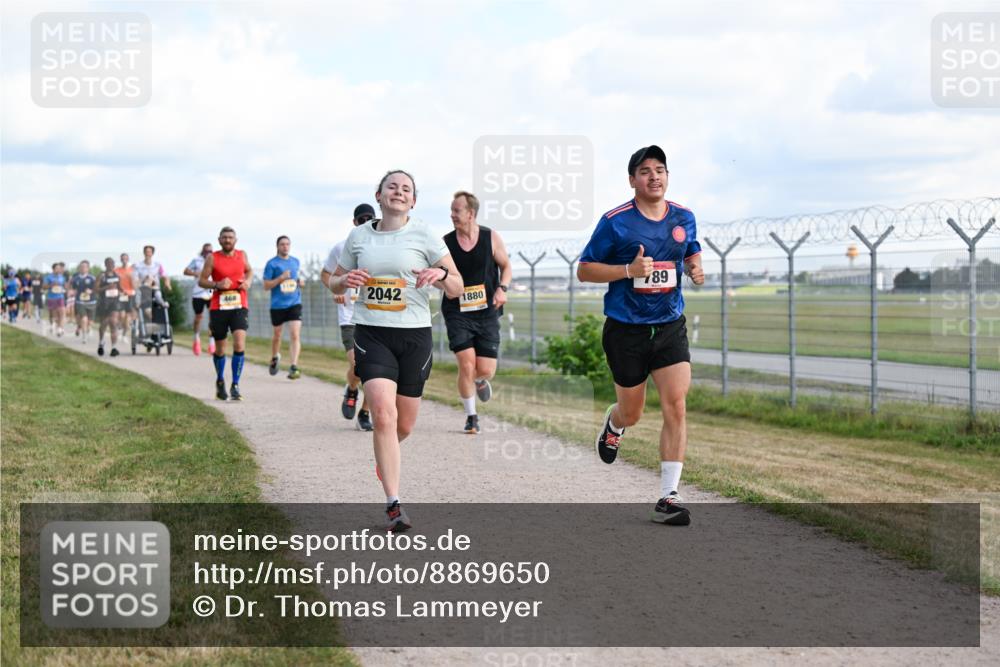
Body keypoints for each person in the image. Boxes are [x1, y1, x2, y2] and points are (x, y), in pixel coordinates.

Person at [577, 145, 704, 526]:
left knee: (676, 405)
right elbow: (585, 270)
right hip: (626, 331)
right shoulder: (615, 222)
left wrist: (695, 268)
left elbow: (690, 250)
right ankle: (614, 425)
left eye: (660, 170)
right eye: (645, 171)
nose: (654, 177)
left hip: (669, 325)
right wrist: (628, 270)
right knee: (632, 411)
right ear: (632, 180)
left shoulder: (684, 217)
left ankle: (668, 496)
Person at [329, 170, 462, 531]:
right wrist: (345, 280)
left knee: (404, 424)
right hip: (372, 333)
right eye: (392, 187)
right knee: (383, 417)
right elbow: (334, 280)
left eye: (406, 189)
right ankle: (393, 503)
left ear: (413, 200)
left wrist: (440, 276)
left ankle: (385, 455)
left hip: (415, 336)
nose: (399, 192)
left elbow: (457, 287)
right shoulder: (358, 236)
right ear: (379, 194)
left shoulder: (425, 235)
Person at [441, 191, 512, 434]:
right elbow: (439, 275)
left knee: (485, 370)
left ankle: (481, 381)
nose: (452, 215)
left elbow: (506, 266)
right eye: (451, 211)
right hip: (457, 311)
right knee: (466, 364)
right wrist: (445, 286)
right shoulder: (446, 243)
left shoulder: (490, 237)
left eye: (456, 211)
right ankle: (472, 417)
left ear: (470, 214)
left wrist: (502, 288)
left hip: (487, 312)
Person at [322, 203, 376, 431]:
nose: (365, 222)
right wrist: (336, 290)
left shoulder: (382, 247)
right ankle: (352, 389)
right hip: (349, 317)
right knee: (358, 367)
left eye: (369, 218)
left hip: (375, 317)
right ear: (354, 223)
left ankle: (364, 413)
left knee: (374, 372)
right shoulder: (341, 248)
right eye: (361, 219)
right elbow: (326, 275)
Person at [198, 227, 253, 401]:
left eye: (230, 237)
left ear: (235, 240)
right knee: (221, 349)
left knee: (239, 343)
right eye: (224, 238)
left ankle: (235, 385)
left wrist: (248, 282)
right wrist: (217, 285)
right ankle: (220, 380)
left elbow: (249, 271)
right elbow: (201, 281)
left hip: (239, 305)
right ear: (219, 240)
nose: (228, 240)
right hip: (218, 308)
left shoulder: (242, 255)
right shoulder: (212, 257)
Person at [262, 235, 304, 380]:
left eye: (287, 244)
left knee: (295, 334)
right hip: (278, 305)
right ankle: (274, 357)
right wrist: (280, 278)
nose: (285, 247)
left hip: (294, 302)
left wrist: (299, 282)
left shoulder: (295, 261)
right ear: (277, 246)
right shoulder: (272, 264)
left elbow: (294, 279)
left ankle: (293, 366)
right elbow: (266, 286)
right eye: (282, 244)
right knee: (277, 335)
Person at [184, 243, 215, 356]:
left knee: (213, 318)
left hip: (211, 292)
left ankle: (212, 343)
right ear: (202, 251)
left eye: (210, 251)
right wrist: (195, 273)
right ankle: (196, 339)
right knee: (199, 317)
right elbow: (186, 271)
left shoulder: (214, 259)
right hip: (198, 293)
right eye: (206, 251)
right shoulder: (196, 260)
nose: (208, 253)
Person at [133, 245, 171, 324]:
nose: (148, 254)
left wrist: (167, 284)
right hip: (142, 289)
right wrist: (144, 279)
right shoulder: (138, 265)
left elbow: (165, 276)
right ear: (144, 253)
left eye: (149, 252)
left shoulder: (158, 265)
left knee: (158, 297)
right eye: (146, 252)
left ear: (152, 253)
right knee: (138, 303)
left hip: (155, 288)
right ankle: (138, 321)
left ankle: (162, 305)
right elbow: (135, 281)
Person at [96, 257, 123, 357]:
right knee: (104, 323)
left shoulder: (117, 275)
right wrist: (107, 287)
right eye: (109, 263)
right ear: (105, 265)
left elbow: (119, 287)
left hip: (114, 301)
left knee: (113, 322)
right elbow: (96, 289)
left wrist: (122, 292)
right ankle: (101, 342)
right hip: (104, 302)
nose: (111, 265)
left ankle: (114, 348)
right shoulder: (101, 276)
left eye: (112, 263)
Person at [69, 260, 97, 343]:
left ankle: (87, 328)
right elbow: (73, 289)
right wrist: (72, 292)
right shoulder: (76, 279)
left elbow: (97, 289)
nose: (82, 268)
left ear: (88, 268)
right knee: (84, 319)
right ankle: (84, 336)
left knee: (90, 322)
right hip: (80, 302)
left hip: (91, 302)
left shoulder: (92, 278)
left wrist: (91, 291)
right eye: (81, 267)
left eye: (84, 267)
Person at [115, 253, 136, 341]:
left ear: (128, 259)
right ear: (120, 259)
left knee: (127, 316)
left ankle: (124, 335)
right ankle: (120, 327)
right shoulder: (116, 270)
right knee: (121, 315)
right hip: (121, 295)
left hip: (130, 294)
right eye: (123, 258)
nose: (124, 260)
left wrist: (132, 278)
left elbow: (135, 285)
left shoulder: (132, 270)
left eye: (126, 258)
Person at [43, 263, 67, 336]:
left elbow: (64, 286)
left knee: (62, 313)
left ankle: (59, 329)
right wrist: (51, 285)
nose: (59, 270)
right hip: (51, 298)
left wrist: (65, 289)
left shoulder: (62, 277)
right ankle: (52, 324)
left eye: (59, 268)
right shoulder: (48, 277)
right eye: (57, 268)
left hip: (60, 297)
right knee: (52, 315)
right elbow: (44, 287)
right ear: (53, 269)